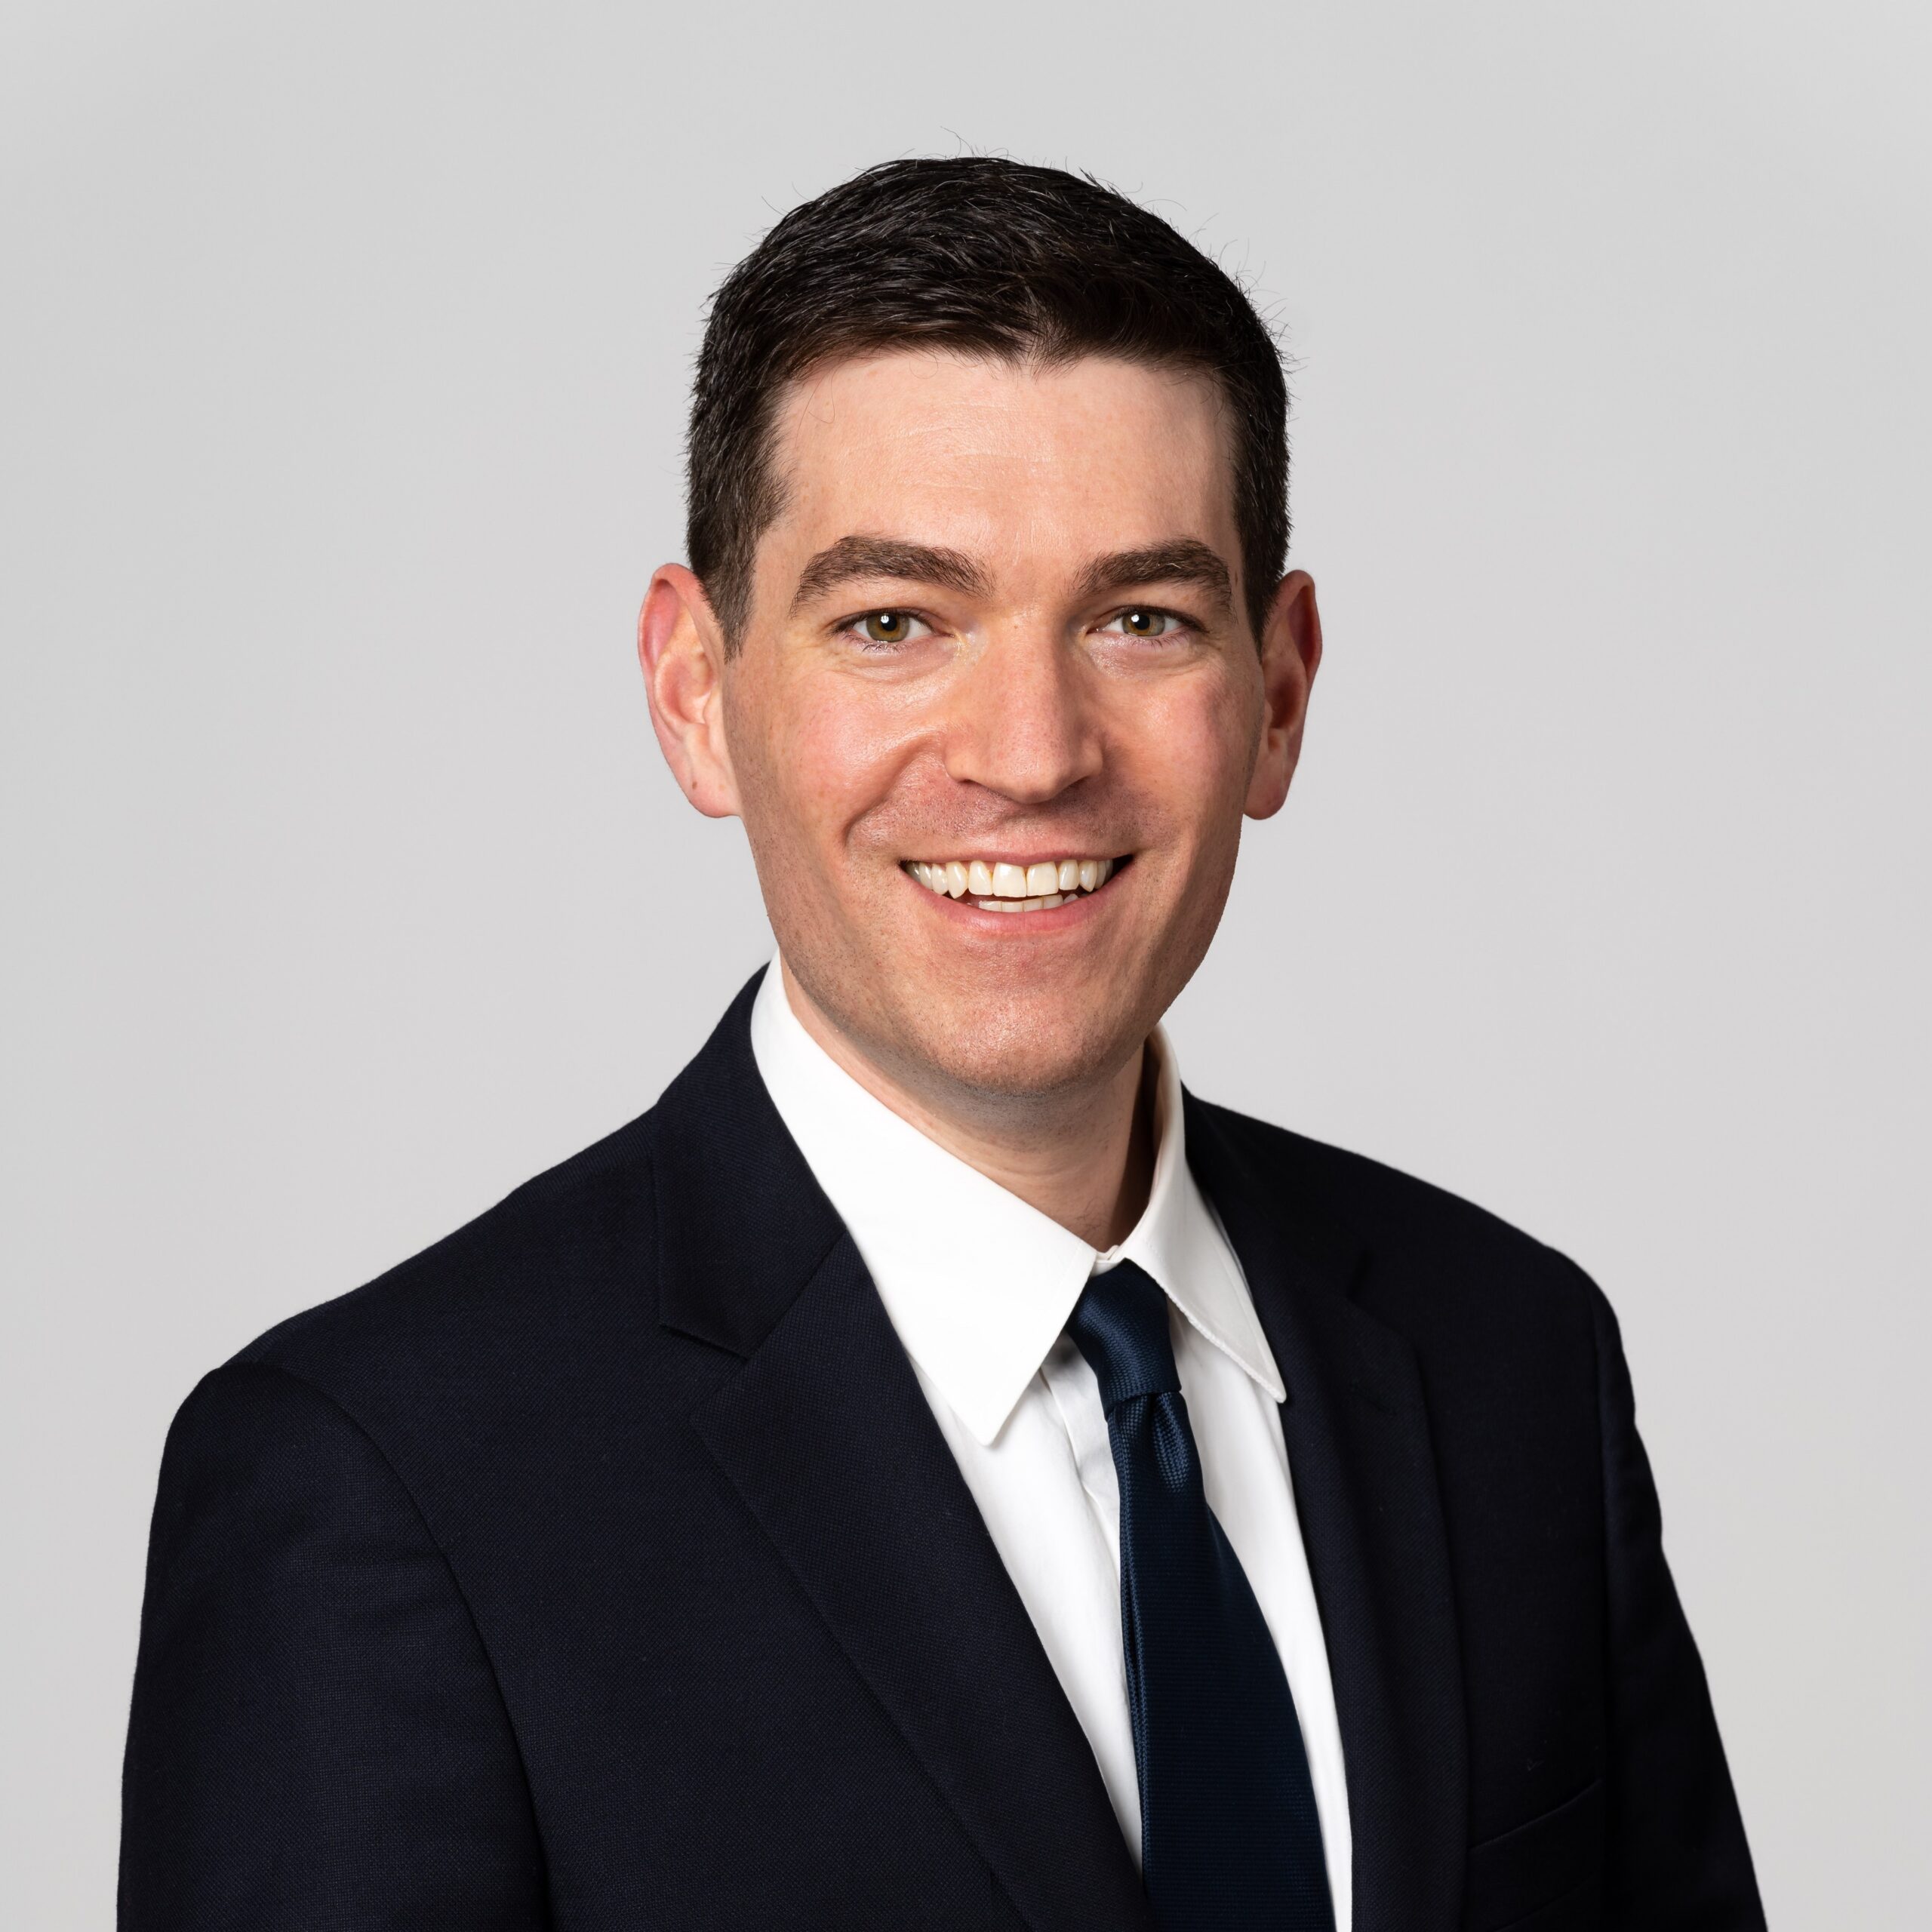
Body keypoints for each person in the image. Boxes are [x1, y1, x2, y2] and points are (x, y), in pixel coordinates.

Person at [119, 158, 1765, 1932]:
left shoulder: (1507, 1358)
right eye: (894, 622)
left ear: (1277, 692)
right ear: (695, 690)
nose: (1030, 750)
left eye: (1139, 619)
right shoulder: (378, 1482)